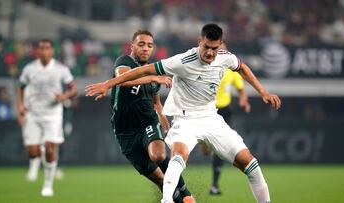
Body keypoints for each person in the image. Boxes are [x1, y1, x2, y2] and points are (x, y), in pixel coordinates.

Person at [85, 23, 281, 203]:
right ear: (199, 42)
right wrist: (107, 84)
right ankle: (171, 199)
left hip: (211, 118)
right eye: (206, 47)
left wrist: (263, 92)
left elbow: (242, 67)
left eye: (214, 48)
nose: (210, 53)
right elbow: (141, 72)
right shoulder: (182, 61)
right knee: (176, 158)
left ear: (220, 45)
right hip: (183, 120)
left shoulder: (225, 58)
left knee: (251, 164)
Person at [104, 30, 194, 203]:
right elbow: (122, 79)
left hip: (147, 123)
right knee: (161, 180)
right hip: (125, 132)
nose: (146, 48)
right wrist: (153, 77)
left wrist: (162, 116)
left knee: (158, 155)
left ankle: (187, 195)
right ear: (132, 46)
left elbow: (156, 102)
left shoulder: (153, 73)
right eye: (141, 44)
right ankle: (178, 199)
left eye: (150, 45)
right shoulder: (125, 61)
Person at [17, 39, 77, 197]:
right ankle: (37, 158)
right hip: (33, 113)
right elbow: (21, 87)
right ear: (37, 51)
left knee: (50, 147)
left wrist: (64, 96)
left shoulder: (60, 69)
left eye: (47, 48)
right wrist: (20, 106)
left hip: (52, 114)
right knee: (33, 152)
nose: (44, 51)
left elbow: (73, 89)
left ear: (52, 51)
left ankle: (48, 185)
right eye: (41, 48)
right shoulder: (29, 69)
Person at [206, 48, 251, 195]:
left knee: (220, 150)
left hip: (223, 111)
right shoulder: (204, 66)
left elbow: (240, 88)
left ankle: (214, 185)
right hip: (206, 110)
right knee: (206, 149)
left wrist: (244, 100)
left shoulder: (231, 70)